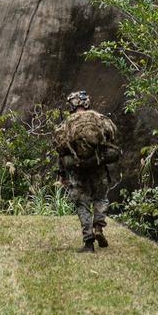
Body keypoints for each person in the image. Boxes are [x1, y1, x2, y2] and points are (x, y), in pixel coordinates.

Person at [53, 90, 122, 253]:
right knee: (101, 198)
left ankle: (89, 243)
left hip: (77, 170)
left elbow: (61, 150)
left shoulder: (66, 123)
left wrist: (62, 174)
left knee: (81, 203)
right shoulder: (100, 119)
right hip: (98, 166)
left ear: (73, 105)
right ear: (86, 103)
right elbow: (112, 136)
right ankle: (98, 227)